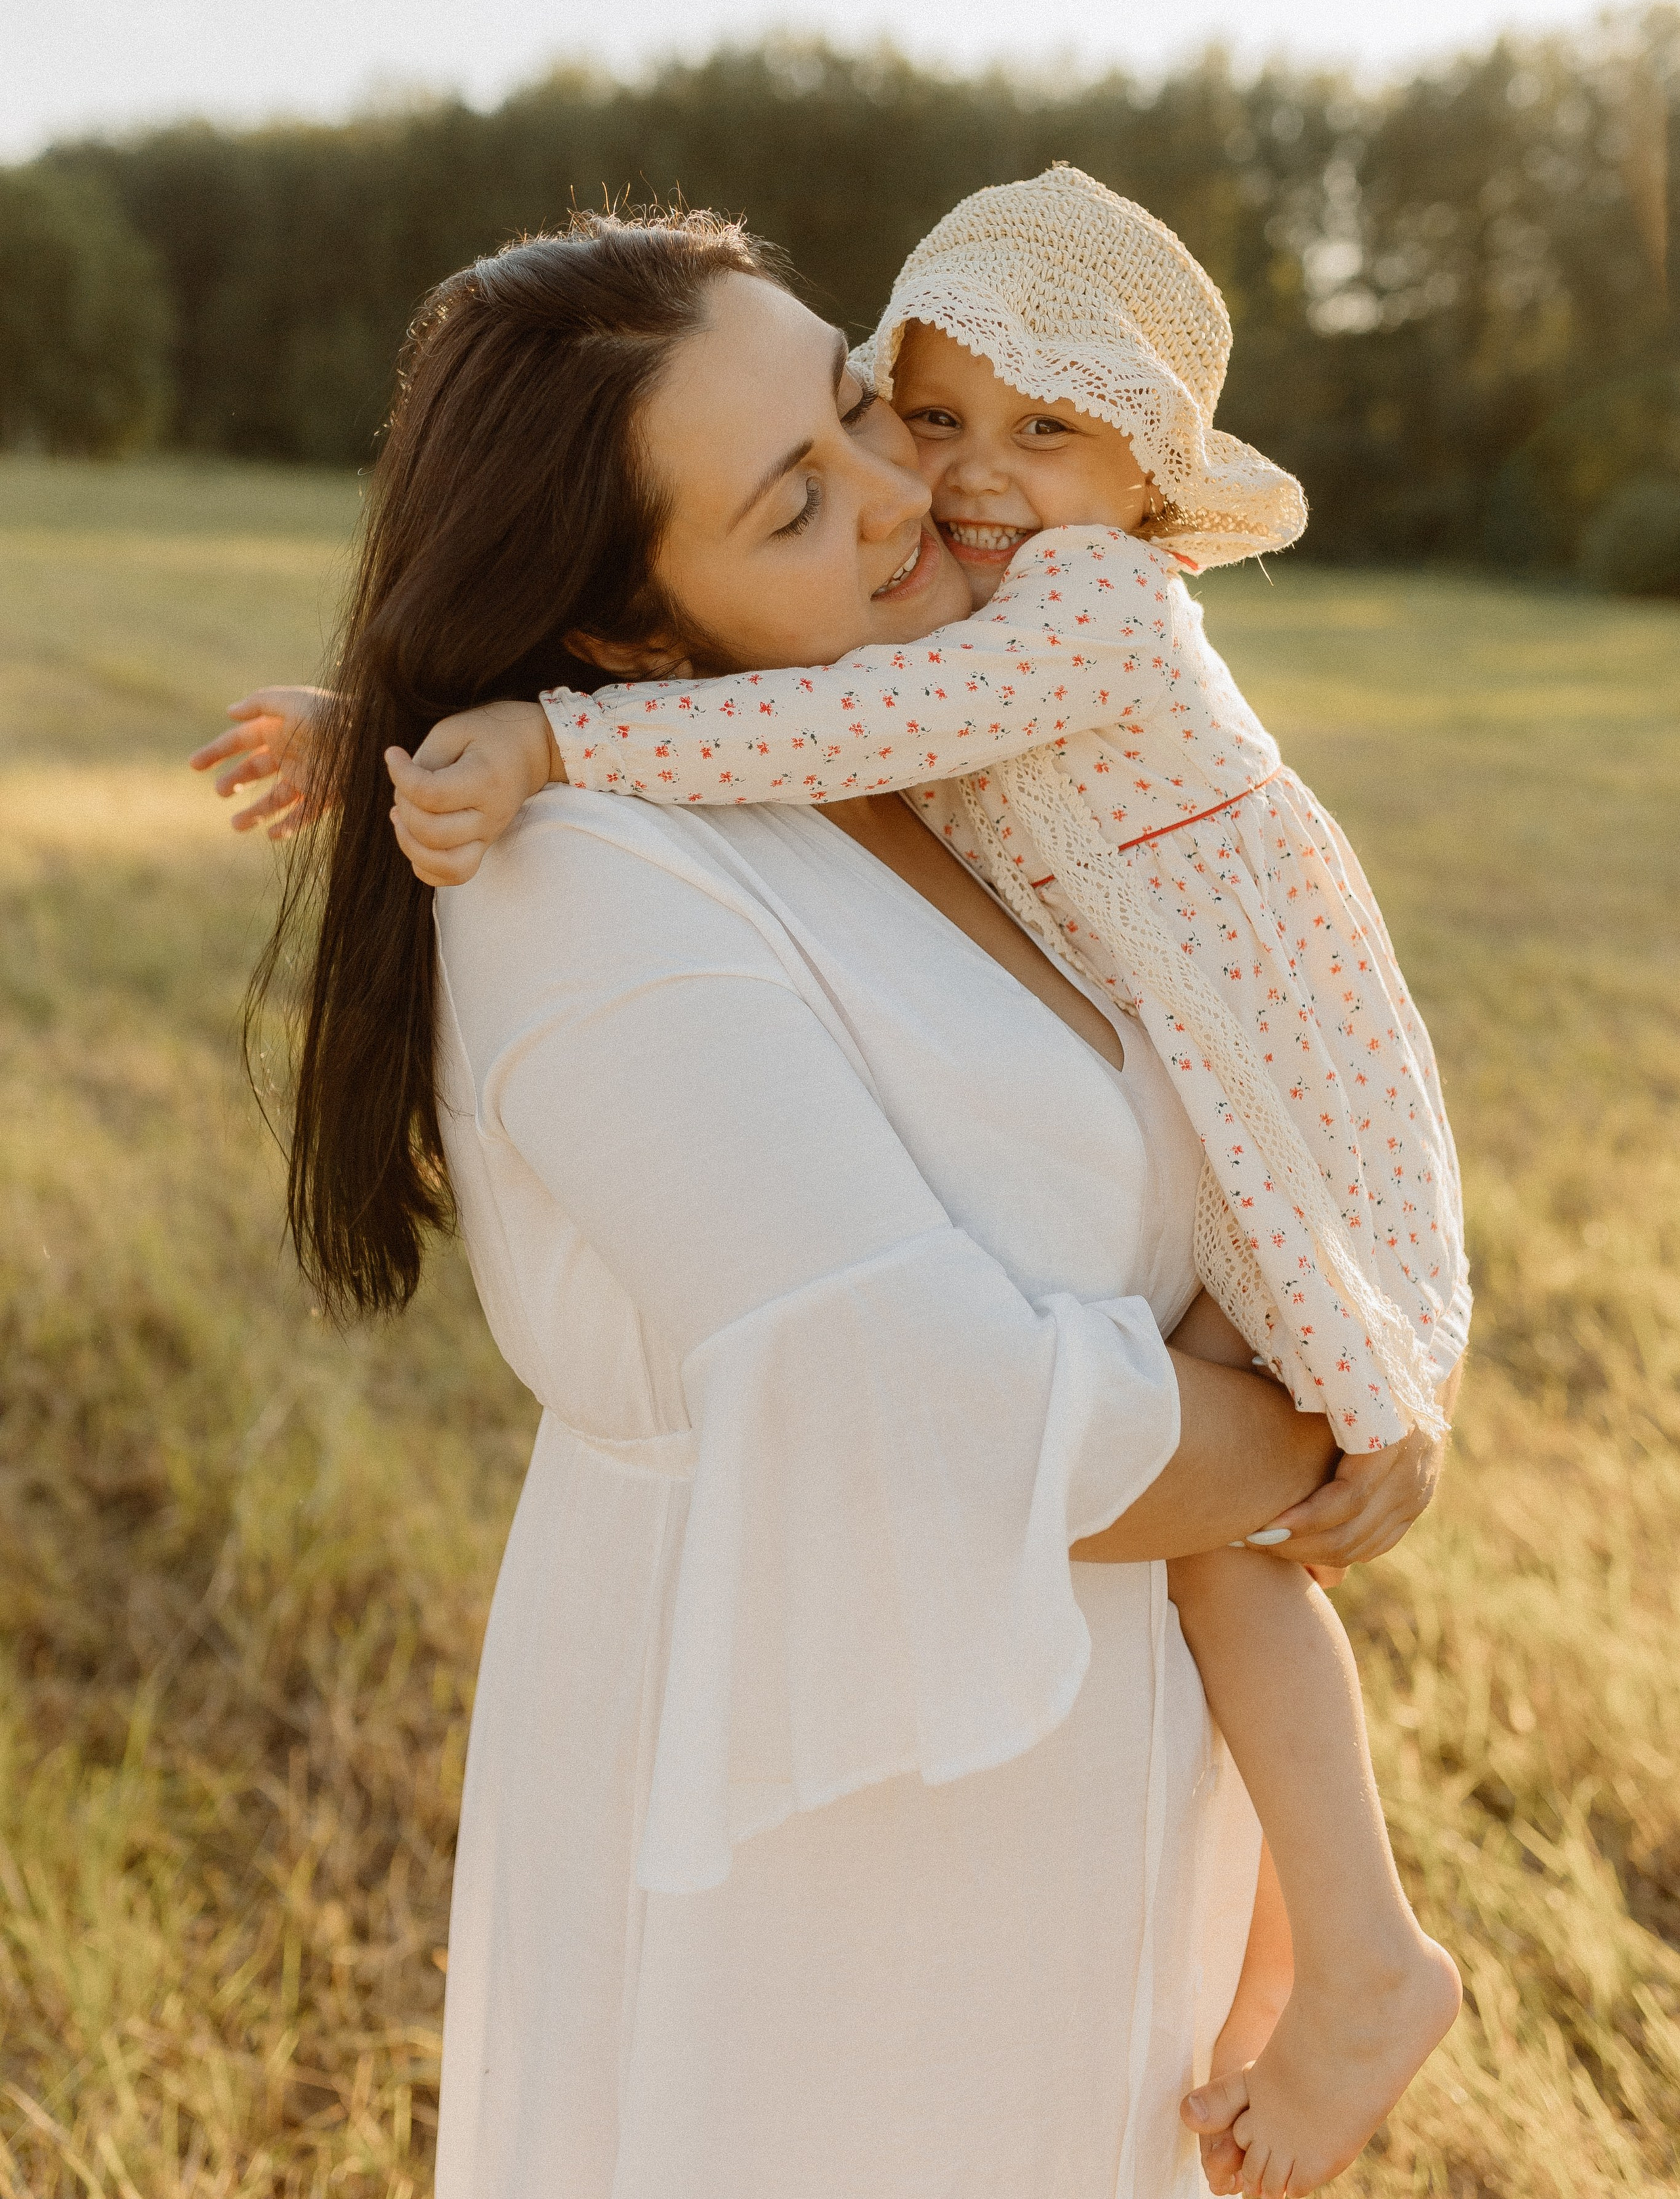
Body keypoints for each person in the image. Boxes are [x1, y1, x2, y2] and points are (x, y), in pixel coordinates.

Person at [195, 207, 1457, 2198]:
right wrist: (1304, 1424)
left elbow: (760, 733)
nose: (905, 491)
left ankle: (1331, 1947)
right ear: (626, 635)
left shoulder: (940, 725)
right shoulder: (580, 874)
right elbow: (934, 1415)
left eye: (862, 404)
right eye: (796, 500)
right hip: (843, 1833)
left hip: (1087, 1793)